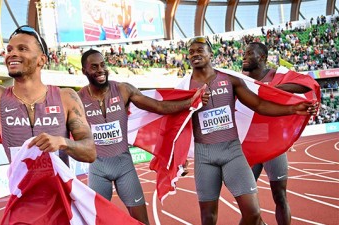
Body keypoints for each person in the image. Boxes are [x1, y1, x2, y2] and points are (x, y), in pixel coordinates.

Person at [176, 37, 317, 225]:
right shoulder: (184, 86)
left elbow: (261, 102)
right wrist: (180, 155)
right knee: (210, 217)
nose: (195, 54)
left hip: (243, 149)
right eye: (191, 51)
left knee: (263, 205)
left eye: (200, 50)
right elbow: (175, 121)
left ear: (211, 54)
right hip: (221, 151)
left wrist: (292, 107)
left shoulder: (234, 79)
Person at [78, 49, 205, 225]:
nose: (100, 70)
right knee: (96, 221)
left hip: (124, 166)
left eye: (103, 65)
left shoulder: (122, 90)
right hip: (97, 168)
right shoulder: (78, 99)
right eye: (94, 67)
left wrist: (189, 103)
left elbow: (159, 107)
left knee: (141, 221)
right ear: (84, 71)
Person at [0, 25, 95, 165]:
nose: (12, 54)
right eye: (9, 50)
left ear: (42, 60)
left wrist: (62, 143)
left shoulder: (66, 97)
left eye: (22, 49)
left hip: (61, 196)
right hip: (21, 196)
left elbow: (90, 152)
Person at [243, 42, 320, 225]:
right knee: (245, 201)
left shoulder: (277, 75)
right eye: (243, 54)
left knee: (280, 196)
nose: (243, 57)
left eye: (248, 54)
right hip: (250, 147)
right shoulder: (241, 81)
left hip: (273, 147)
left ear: (261, 57)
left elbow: (308, 85)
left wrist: (271, 90)